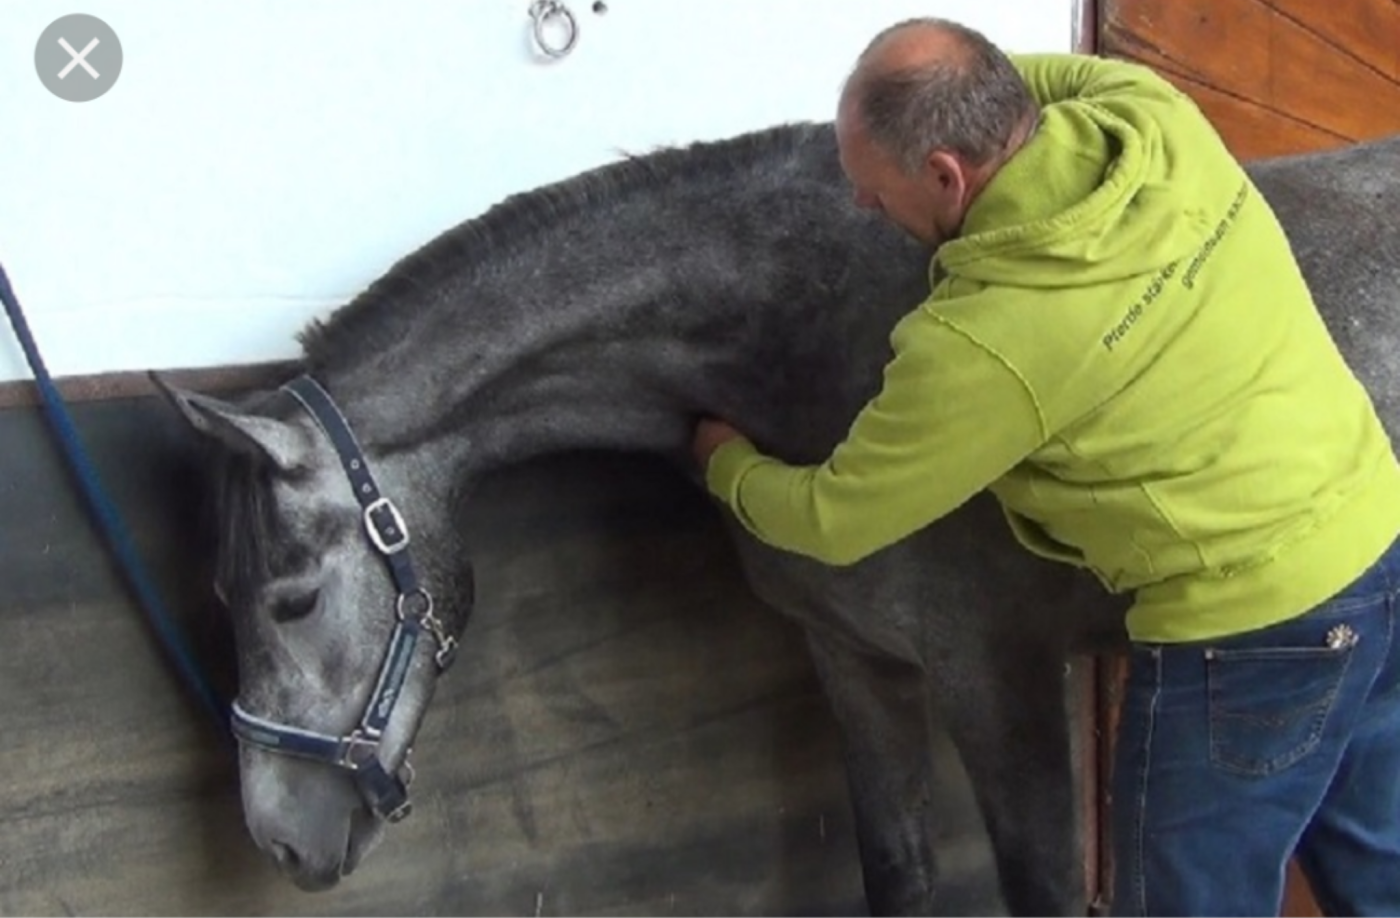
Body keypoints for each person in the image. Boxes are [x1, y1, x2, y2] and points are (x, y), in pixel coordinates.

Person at [691, 17, 1400, 917]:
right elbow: (1033, 82)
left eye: (871, 186)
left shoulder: (983, 342)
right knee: (1380, 875)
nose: (860, 204)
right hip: (1378, 547)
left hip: (1247, 634)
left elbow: (836, 519)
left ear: (946, 175)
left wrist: (726, 464)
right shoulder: (1151, 117)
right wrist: (945, 101)